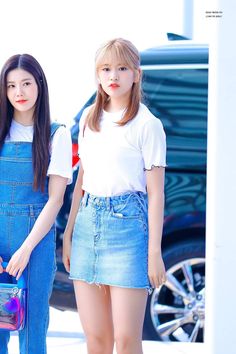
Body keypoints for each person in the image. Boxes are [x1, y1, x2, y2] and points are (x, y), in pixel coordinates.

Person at [63, 38, 166, 354]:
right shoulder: (89, 119)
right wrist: (68, 234)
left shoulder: (147, 124)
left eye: (122, 68)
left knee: (126, 338)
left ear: (136, 74)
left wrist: (154, 253)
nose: (113, 76)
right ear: (97, 75)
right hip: (86, 226)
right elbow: (82, 178)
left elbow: (156, 192)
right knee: (96, 338)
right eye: (106, 68)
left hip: (128, 229)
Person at [0, 53, 72, 354]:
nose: (19, 92)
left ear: (39, 85)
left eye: (26, 83)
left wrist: (25, 250)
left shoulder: (57, 135)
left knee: (33, 331)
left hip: (36, 245)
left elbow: (55, 201)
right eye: (12, 85)